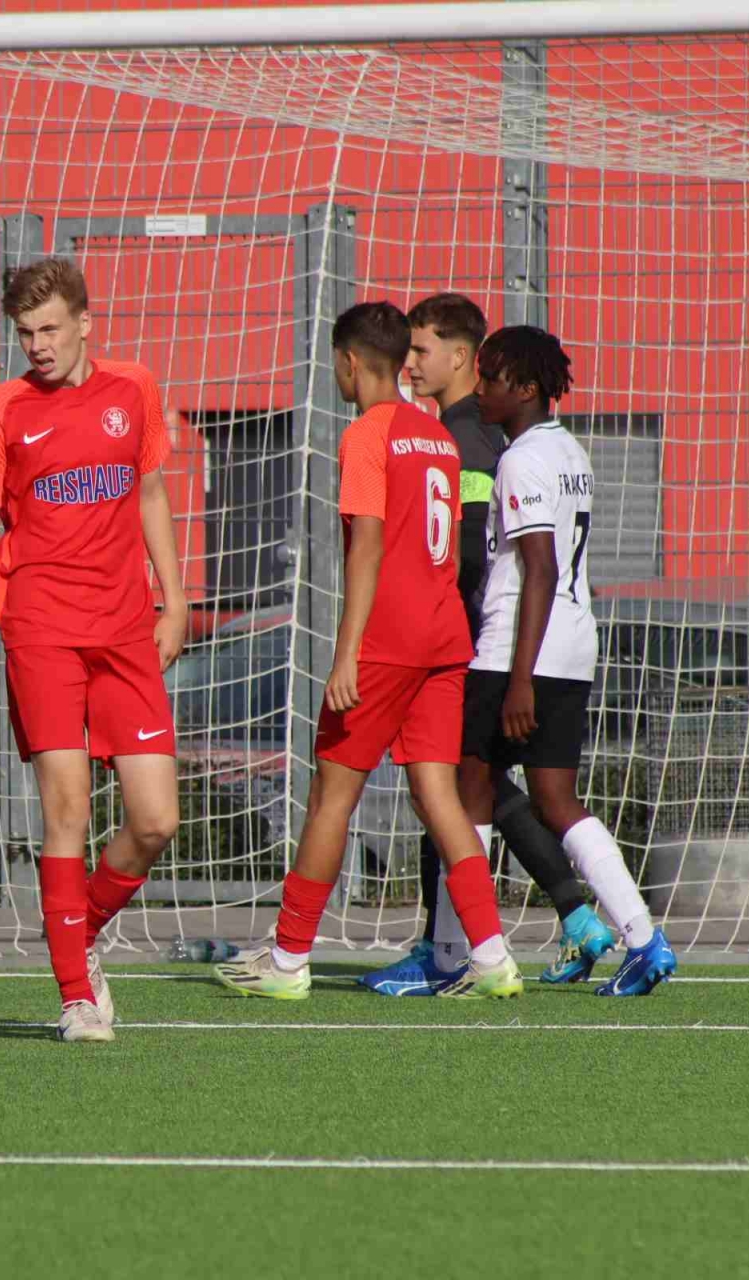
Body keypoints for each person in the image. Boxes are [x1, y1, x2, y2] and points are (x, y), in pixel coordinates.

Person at [214, 301, 523, 1002]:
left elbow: (370, 547)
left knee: (331, 795)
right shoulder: (438, 436)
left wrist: (347, 650)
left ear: (351, 362)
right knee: (440, 795)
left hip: (388, 640)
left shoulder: (365, 437)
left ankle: (288, 962)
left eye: (336, 364)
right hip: (446, 638)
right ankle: (493, 954)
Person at [0, 257, 186, 1044]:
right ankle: (75, 996)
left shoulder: (134, 389)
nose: (38, 345)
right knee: (66, 814)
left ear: (86, 321)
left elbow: (151, 490)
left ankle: (75, 928)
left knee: (155, 820)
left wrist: (176, 596)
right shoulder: (1, 409)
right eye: (25, 333)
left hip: (125, 630)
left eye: (50, 328)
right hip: (41, 631)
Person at [358, 294, 614, 995]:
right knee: (476, 790)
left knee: (446, 790)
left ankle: (450, 952)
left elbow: (477, 547)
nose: (408, 364)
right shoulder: (463, 430)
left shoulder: (471, 438)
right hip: (483, 638)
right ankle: (575, 915)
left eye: (420, 350)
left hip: (472, 640)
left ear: (463, 357)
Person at [459, 325, 677, 996]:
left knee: (462, 786)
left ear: (525, 389)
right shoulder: (568, 449)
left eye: (491, 377)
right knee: (553, 799)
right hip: (573, 643)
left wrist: (519, 676)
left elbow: (540, 566)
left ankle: (453, 952)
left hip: (519, 651)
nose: (480, 387)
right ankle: (642, 937)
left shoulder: (522, 458)